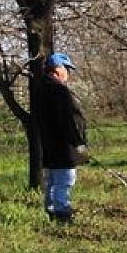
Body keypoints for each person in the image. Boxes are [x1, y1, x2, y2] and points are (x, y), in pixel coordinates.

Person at [31, 52, 89, 223]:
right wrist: (78, 143)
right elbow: (68, 120)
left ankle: (51, 210)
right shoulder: (58, 91)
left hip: (48, 145)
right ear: (57, 70)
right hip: (63, 146)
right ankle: (62, 213)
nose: (68, 74)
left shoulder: (41, 89)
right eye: (67, 69)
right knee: (64, 180)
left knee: (52, 181)